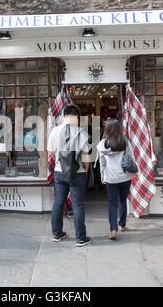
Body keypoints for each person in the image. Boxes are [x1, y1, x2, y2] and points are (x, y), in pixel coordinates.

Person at [47, 104, 92, 247]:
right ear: (77, 117)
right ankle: (80, 238)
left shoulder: (55, 131)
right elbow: (85, 156)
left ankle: (56, 233)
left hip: (60, 172)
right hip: (77, 173)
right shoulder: (82, 133)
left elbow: (51, 153)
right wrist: (85, 169)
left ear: (64, 116)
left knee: (58, 203)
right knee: (77, 205)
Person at [97, 118, 136, 240]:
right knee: (123, 200)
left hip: (111, 177)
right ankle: (122, 225)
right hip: (125, 176)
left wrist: (102, 174)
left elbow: (102, 162)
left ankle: (113, 229)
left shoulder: (102, 144)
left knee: (112, 203)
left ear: (107, 129)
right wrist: (134, 170)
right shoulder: (124, 142)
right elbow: (131, 157)